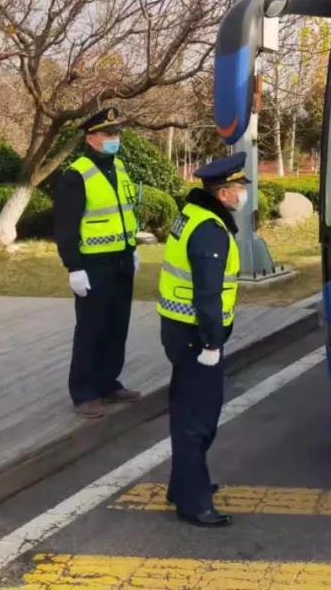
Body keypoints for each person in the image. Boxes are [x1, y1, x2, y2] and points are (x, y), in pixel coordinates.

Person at [157, 151, 249, 528]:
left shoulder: (191, 214)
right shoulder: (210, 229)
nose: (244, 193)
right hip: (197, 337)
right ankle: (193, 503)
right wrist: (212, 343)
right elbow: (208, 293)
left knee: (185, 410)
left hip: (179, 330)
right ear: (223, 193)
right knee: (198, 419)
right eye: (239, 188)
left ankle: (183, 485)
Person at [54, 107, 142, 419]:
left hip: (121, 260)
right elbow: (65, 228)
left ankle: (108, 383)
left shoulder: (118, 167)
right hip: (93, 266)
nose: (114, 139)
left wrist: (132, 247)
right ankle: (84, 392)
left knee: (117, 325)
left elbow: (126, 212)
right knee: (91, 328)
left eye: (116, 134)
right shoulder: (76, 175)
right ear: (91, 138)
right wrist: (74, 267)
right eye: (108, 134)